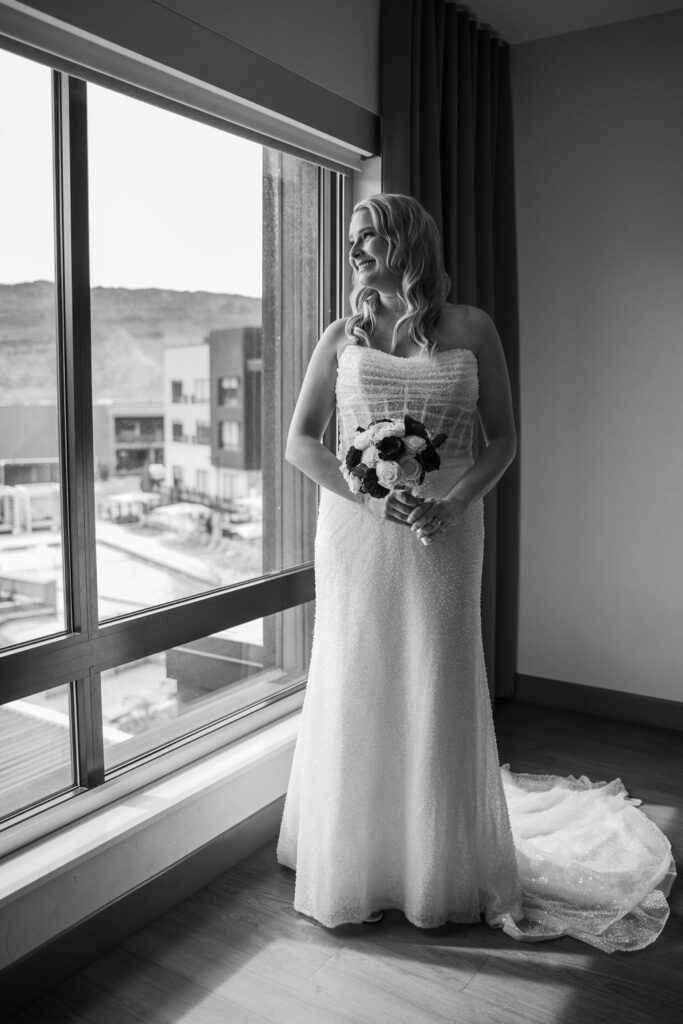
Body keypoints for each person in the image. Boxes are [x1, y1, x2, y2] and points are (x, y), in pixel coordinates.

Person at [276, 193, 675, 951]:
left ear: (405, 241)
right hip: (359, 533)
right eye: (353, 238)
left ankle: (438, 861)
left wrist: (452, 503)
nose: (355, 248)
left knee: (438, 674)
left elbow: (501, 440)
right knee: (357, 673)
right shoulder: (340, 336)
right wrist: (367, 498)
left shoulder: (471, 328)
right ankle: (357, 852)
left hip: (446, 530)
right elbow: (301, 442)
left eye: (368, 236)